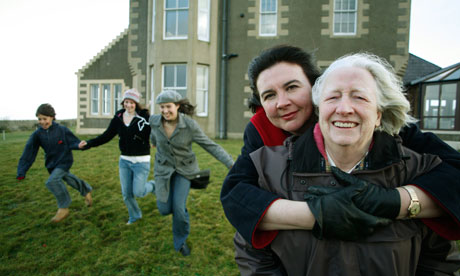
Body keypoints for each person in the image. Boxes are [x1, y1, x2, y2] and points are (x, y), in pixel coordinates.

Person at [234, 53, 460, 275]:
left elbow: (437, 258)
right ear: (320, 103)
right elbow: (236, 196)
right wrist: (315, 213)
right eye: (269, 95)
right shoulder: (266, 159)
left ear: (379, 114)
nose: (344, 108)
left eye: (292, 87)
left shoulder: (410, 158)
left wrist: (396, 202)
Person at [149, 90, 234, 256]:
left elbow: (210, 145)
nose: (165, 111)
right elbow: (153, 136)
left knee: (179, 208)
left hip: (184, 170)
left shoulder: (189, 125)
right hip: (163, 170)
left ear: (178, 106)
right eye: (162, 107)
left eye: (169, 106)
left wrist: (230, 163)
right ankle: (156, 187)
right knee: (164, 209)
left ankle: (180, 241)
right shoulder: (154, 121)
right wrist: (152, 143)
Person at [79, 88, 153, 225]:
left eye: (132, 102)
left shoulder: (144, 118)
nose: (129, 105)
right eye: (126, 102)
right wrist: (89, 143)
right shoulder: (118, 118)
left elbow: (155, 132)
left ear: (136, 104)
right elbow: (106, 136)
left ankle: (154, 186)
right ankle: (135, 216)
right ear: (123, 102)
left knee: (139, 192)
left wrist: (156, 141)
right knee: (126, 194)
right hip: (124, 161)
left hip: (141, 162)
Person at [17, 103, 93, 223]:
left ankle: (63, 207)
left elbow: (73, 142)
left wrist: (79, 145)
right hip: (52, 164)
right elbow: (28, 153)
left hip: (64, 161)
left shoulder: (62, 130)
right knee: (68, 178)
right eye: (39, 119)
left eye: (44, 119)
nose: (42, 122)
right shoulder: (37, 134)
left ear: (52, 117)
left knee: (52, 181)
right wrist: (22, 170)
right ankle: (86, 190)